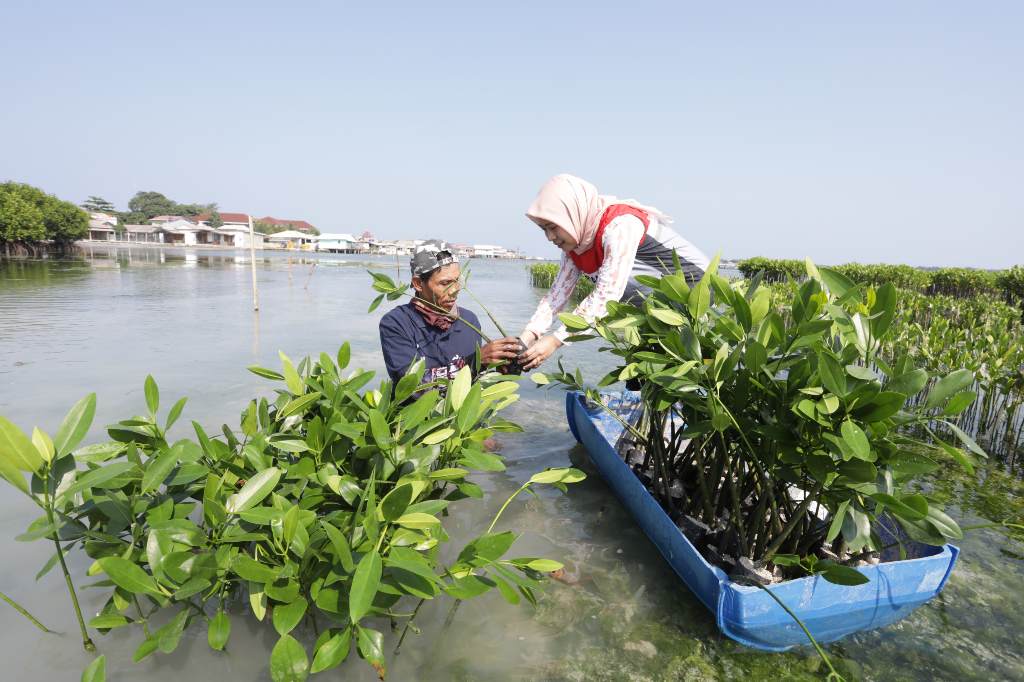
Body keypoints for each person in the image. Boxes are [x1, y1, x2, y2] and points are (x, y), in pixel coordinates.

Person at [518, 174, 710, 371]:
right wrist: (526, 339)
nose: (550, 237)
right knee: (648, 376)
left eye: (553, 227)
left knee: (698, 370)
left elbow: (606, 294)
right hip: (655, 309)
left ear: (572, 215)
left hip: (696, 296)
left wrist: (555, 340)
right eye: (544, 230)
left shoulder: (620, 226)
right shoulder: (575, 245)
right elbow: (556, 297)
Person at [379, 239, 522, 386]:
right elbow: (411, 386)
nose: (455, 290)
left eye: (457, 280)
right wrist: (475, 362)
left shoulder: (469, 320)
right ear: (418, 284)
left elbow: (475, 382)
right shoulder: (396, 323)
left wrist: (505, 367)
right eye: (445, 283)